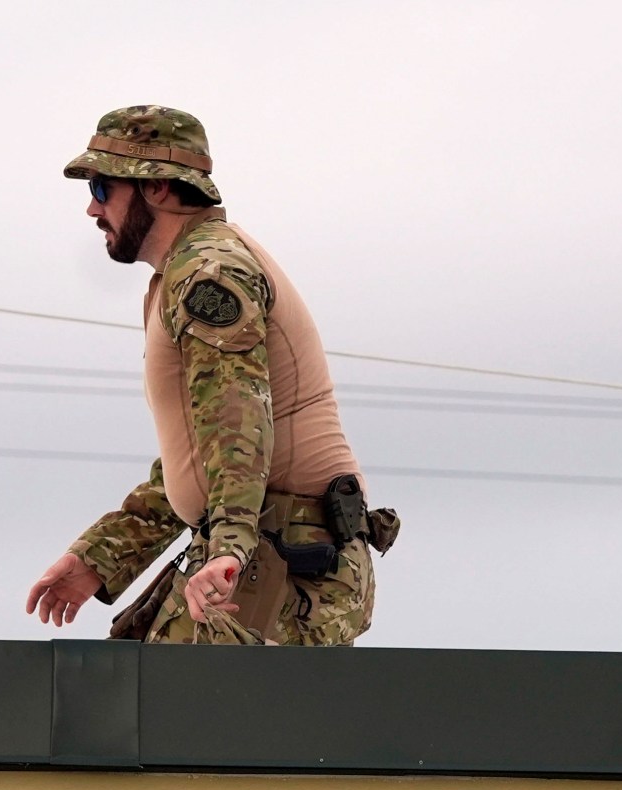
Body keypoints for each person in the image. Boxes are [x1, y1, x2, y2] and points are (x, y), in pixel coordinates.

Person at [25, 106, 398, 644]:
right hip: (265, 548)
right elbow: (205, 453)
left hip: (288, 557)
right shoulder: (183, 273)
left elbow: (236, 426)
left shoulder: (211, 273)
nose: (90, 208)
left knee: (172, 716)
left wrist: (228, 547)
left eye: (103, 188)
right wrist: (104, 555)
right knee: (145, 710)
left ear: (157, 189)